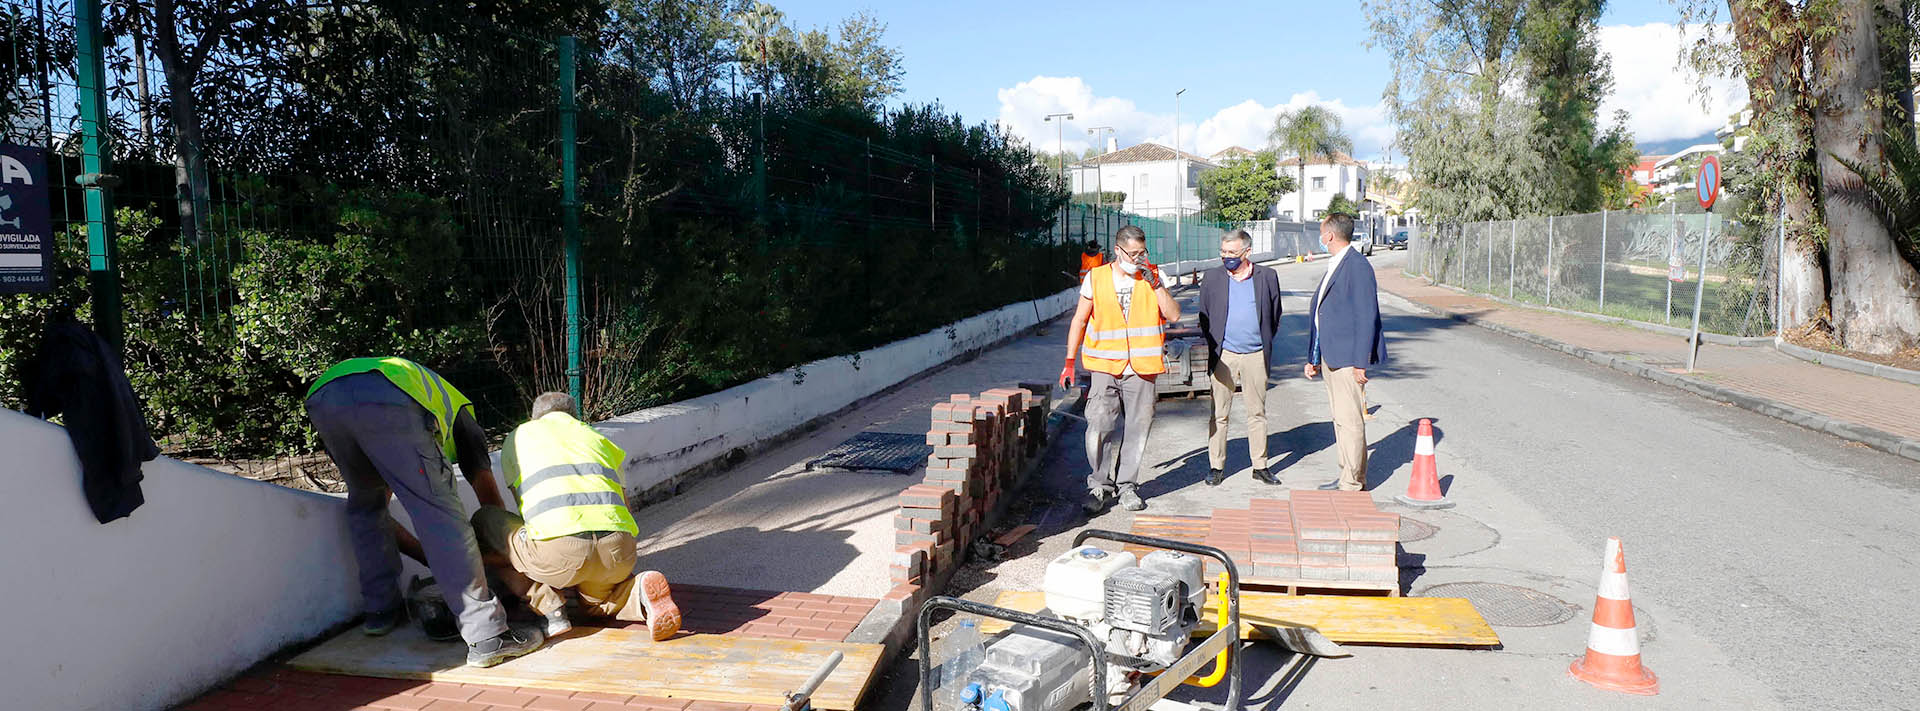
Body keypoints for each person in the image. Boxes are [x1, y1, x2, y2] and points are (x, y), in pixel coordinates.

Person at [305, 357, 544, 668]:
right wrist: (504, 558)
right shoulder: (464, 418)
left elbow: (387, 500)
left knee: (368, 505)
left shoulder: (425, 393)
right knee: (438, 512)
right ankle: (487, 635)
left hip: (324, 397)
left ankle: (381, 610)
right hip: (386, 395)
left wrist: (437, 559)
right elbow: (490, 505)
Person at [469, 392, 683, 642]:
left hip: (559, 553)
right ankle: (638, 592)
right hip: (619, 551)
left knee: (486, 521)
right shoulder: (598, 438)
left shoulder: (519, 437)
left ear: (534, 417)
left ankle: (550, 608)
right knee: (596, 605)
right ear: (574, 417)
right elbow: (625, 507)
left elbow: (527, 511)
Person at [1059, 225, 1181, 512]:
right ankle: (1099, 485)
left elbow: (1174, 315)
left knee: (1138, 429)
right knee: (1099, 426)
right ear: (1117, 250)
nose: (1138, 259)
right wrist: (1068, 362)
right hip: (1104, 365)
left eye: (1143, 252)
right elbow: (1079, 320)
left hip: (1141, 367)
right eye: (1133, 253)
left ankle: (1128, 487)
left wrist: (1156, 284)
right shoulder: (1096, 277)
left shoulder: (1153, 276)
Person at [1303, 214, 1387, 492]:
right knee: (1341, 419)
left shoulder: (1357, 266)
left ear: (1329, 236)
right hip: (1330, 355)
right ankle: (1348, 475)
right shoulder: (1337, 263)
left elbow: (1367, 316)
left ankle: (1352, 481)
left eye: (1321, 232)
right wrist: (1313, 357)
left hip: (1347, 358)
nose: (1320, 236)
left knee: (1350, 420)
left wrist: (1361, 362)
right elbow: (1322, 311)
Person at [1197, 229, 1283, 487]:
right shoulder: (1212, 278)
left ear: (1247, 252)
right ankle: (1216, 466)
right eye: (1223, 252)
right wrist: (1217, 346)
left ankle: (1260, 465)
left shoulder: (1267, 277)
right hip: (1224, 355)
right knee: (1219, 414)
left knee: (1257, 412)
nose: (1226, 257)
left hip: (1256, 355)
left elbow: (1275, 314)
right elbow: (1204, 315)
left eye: (1232, 253)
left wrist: (1261, 341)